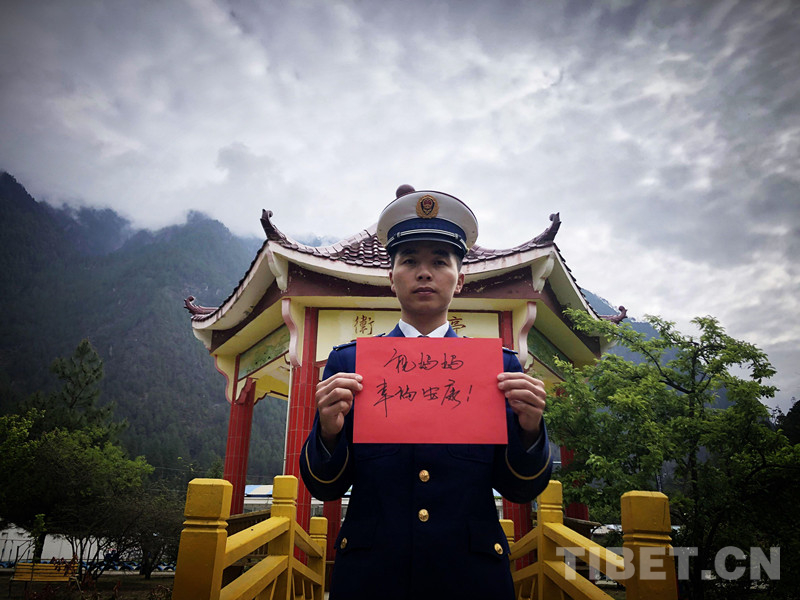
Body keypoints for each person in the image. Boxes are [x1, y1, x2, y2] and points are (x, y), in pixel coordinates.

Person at [299, 185, 552, 600]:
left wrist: (530, 429)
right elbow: (325, 487)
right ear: (391, 277)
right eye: (409, 261)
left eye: (439, 261)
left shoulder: (499, 369)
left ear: (460, 279)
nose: (424, 272)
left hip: (471, 579)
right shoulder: (349, 363)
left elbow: (520, 489)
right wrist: (327, 432)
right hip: (371, 578)